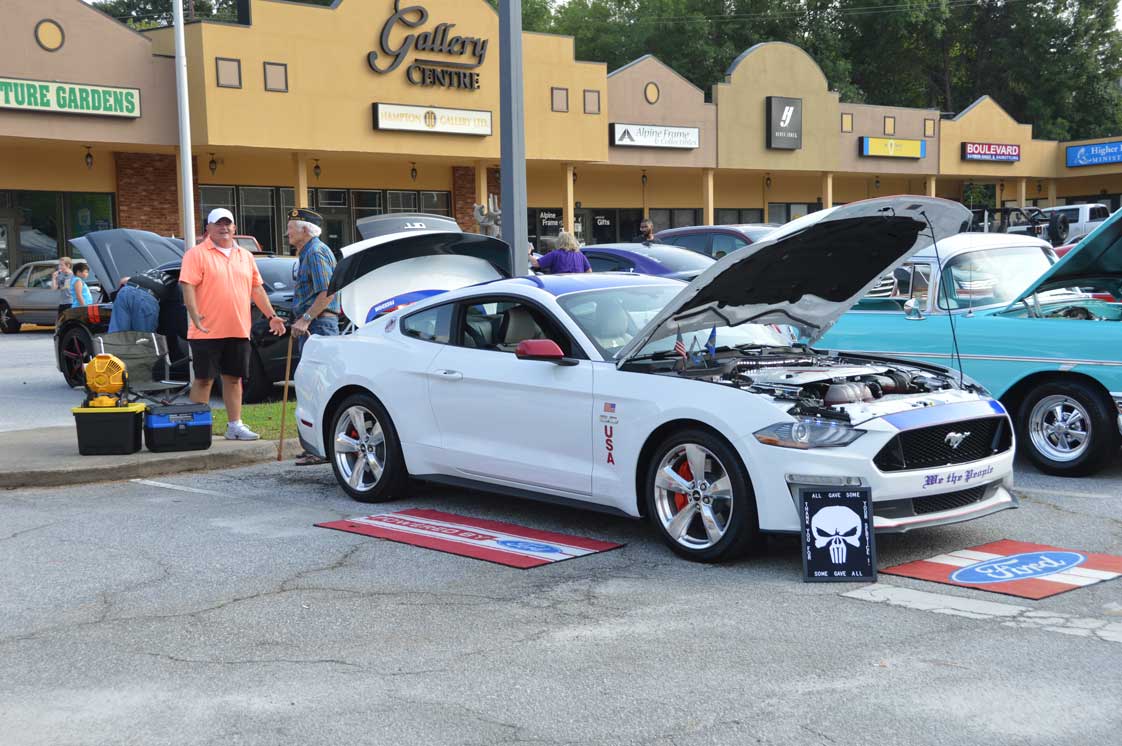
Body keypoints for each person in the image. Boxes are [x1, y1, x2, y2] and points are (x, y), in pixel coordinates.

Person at [180, 207, 286, 441]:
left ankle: (234, 425)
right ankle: (197, 427)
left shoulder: (245, 256)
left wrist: (271, 315)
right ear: (208, 228)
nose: (224, 228)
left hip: (238, 328)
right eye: (218, 224)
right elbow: (187, 285)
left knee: (234, 378)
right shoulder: (196, 254)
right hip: (205, 330)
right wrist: (194, 313)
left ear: (235, 228)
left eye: (228, 223)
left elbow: (256, 288)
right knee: (204, 379)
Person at [286, 208, 340, 465]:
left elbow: (327, 294)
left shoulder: (316, 253)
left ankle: (319, 449)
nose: (287, 232)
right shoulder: (308, 253)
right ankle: (313, 447)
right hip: (313, 326)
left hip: (318, 326)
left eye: (290, 227)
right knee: (310, 388)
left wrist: (305, 318)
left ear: (305, 230)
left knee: (318, 388)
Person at [108, 268, 177, 334]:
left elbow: (123, 280)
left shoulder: (152, 271)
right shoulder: (177, 283)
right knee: (143, 339)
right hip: (146, 297)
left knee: (116, 335)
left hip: (125, 291)